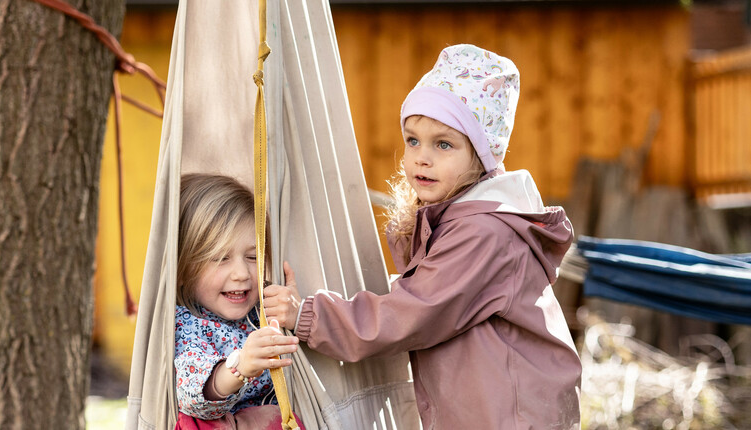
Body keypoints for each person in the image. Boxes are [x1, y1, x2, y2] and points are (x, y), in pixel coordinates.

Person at [263, 44, 582, 429]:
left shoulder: (485, 233)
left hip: (510, 417)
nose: (421, 157)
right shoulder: (454, 218)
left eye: (443, 144)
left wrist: (308, 315)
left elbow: (414, 312)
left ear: (482, 154)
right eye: (413, 140)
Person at [173, 173, 300, 429]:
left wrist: (296, 313)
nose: (242, 274)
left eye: (253, 257)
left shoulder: (263, 308)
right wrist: (240, 367)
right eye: (221, 258)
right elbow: (191, 395)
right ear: (183, 269)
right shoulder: (187, 323)